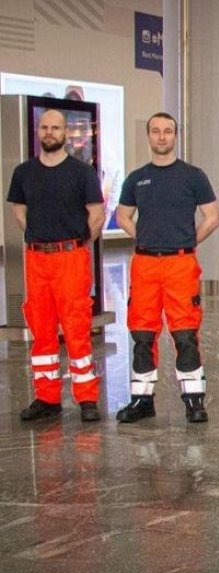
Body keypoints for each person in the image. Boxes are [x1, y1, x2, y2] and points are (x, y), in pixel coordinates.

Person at [115, 112, 219, 424]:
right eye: (156, 131)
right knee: (142, 334)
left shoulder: (193, 176)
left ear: (176, 136)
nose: (162, 137)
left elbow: (213, 217)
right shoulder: (136, 178)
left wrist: (188, 241)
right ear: (148, 136)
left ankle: (194, 400)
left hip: (180, 263)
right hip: (145, 265)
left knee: (185, 333)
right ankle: (142, 400)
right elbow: (123, 216)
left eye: (168, 131)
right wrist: (146, 238)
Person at [6, 109, 106, 422]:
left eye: (56, 127)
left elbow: (96, 213)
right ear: (38, 132)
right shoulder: (24, 172)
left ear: (65, 132)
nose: (49, 132)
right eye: (44, 127)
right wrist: (38, 237)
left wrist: (77, 244)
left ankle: (87, 398)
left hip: (71, 258)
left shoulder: (81, 172)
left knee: (76, 327)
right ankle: (46, 397)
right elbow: (19, 210)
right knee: (42, 328)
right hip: (36, 258)